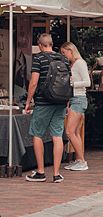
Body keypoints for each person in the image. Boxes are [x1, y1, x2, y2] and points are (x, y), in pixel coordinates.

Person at [24, 33, 70, 183]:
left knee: (37, 134)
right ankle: (56, 174)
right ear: (52, 44)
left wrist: (28, 101)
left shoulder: (39, 58)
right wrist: (67, 103)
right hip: (61, 102)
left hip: (43, 103)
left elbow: (33, 83)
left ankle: (41, 172)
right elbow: (68, 83)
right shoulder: (64, 59)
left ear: (41, 46)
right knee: (57, 135)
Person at [60, 42, 90, 171]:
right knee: (75, 132)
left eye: (64, 53)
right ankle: (79, 159)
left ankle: (82, 161)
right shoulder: (72, 64)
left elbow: (87, 82)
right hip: (73, 98)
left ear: (70, 51)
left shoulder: (79, 63)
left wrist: (72, 83)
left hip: (78, 98)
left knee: (69, 131)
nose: (63, 55)